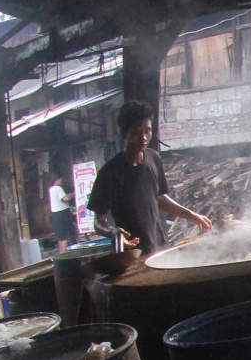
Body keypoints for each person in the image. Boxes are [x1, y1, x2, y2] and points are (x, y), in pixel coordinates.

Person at [88, 100, 212, 256]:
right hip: (132, 254)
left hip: (159, 247)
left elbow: (159, 197)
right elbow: (98, 222)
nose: (144, 138)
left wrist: (192, 216)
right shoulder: (110, 173)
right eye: (136, 133)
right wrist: (113, 232)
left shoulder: (153, 158)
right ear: (125, 133)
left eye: (147, 131)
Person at [46, 173, 78, 251]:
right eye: (60, 179)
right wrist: (74, 194)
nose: (61, 181)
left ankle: (62, 252)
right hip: (62, 213)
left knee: (60, 237)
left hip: (55, 214)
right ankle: (65, 253)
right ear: (57, 180)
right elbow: (65, 198)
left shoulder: (51, 189)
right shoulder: (58, 188)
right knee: (64, 236)